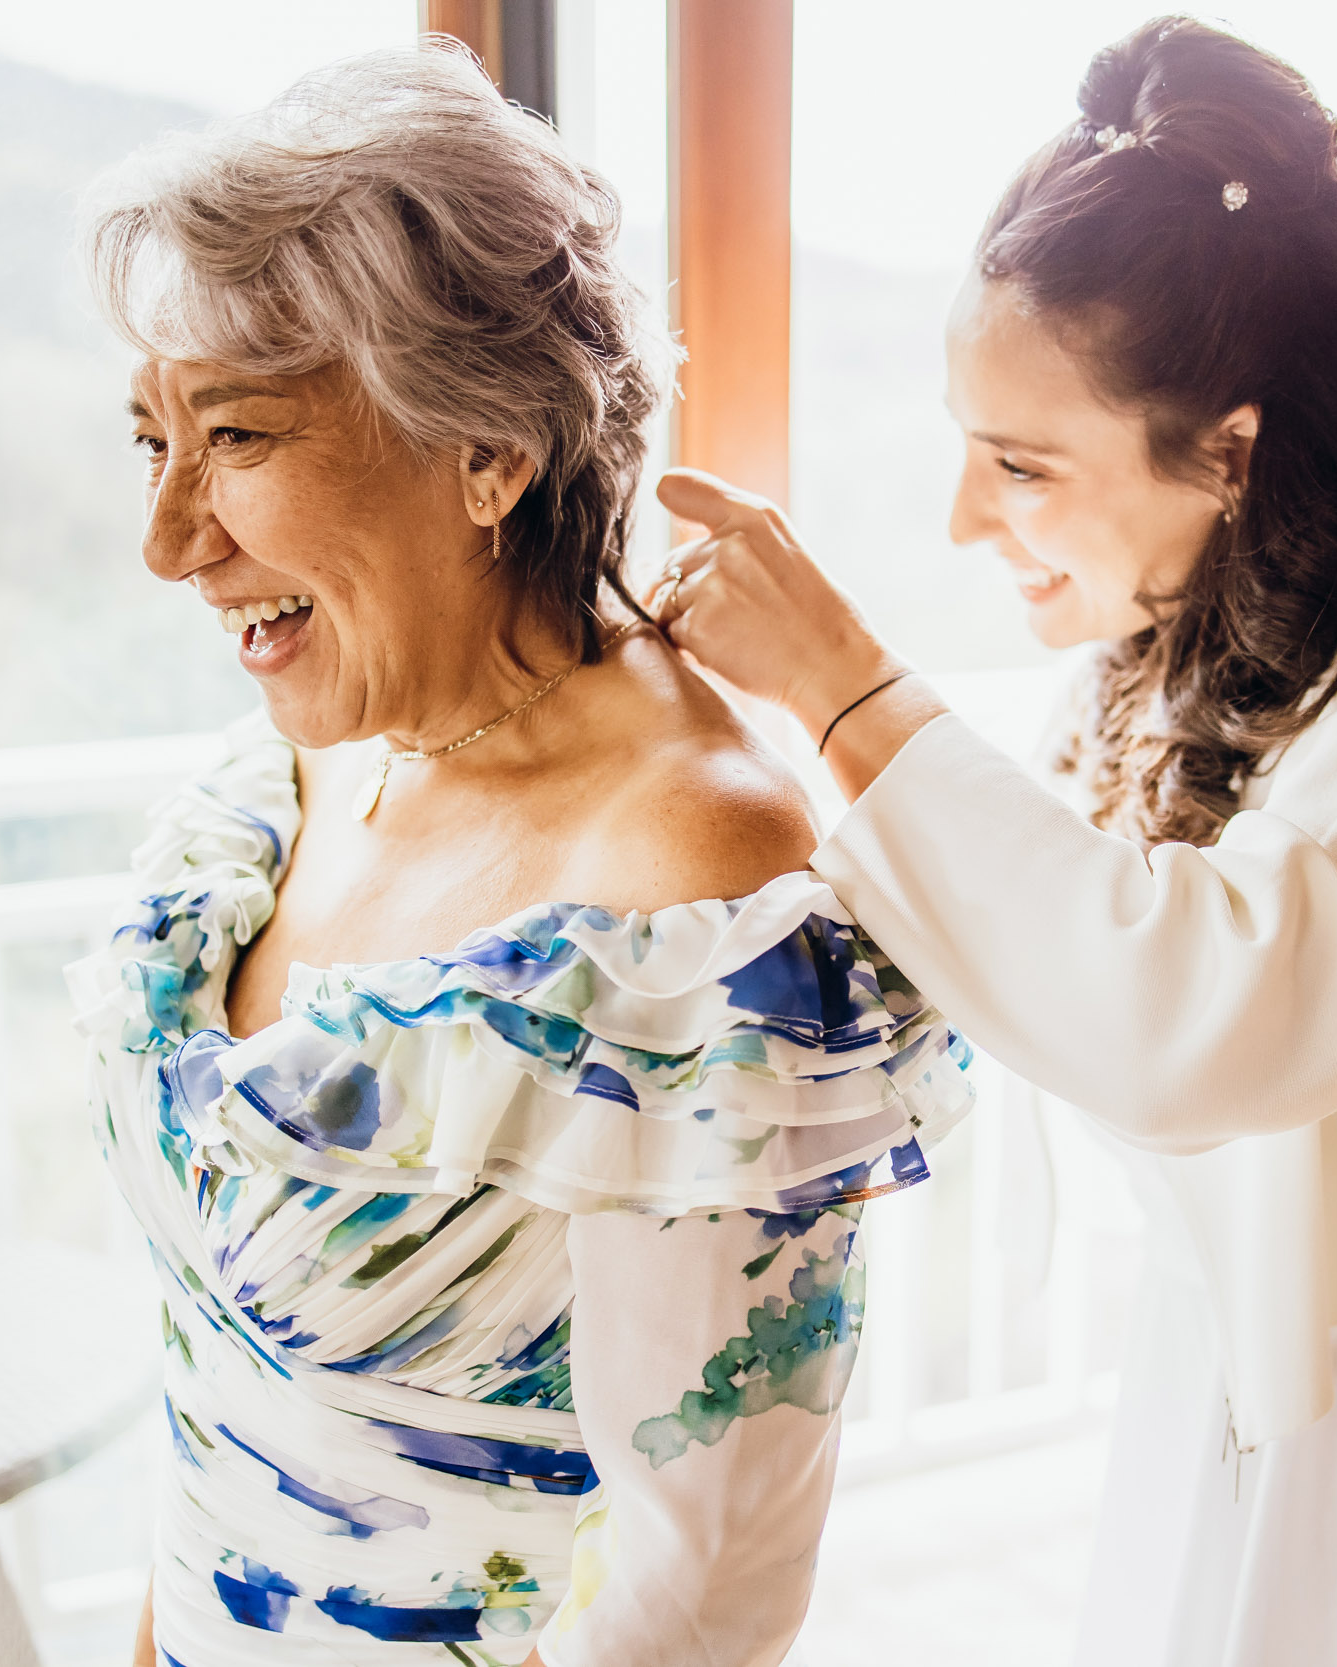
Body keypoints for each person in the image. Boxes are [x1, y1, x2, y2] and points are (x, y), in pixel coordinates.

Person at [651, 16, 1337, 1665]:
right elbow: (1026, 928)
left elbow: (1197, 1011)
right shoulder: (1198, 650)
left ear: (1232, 451)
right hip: (1216, 1423)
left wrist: (848, 685)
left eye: (1018, 463)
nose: (962, 518)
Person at [64, 45, 969, 1667]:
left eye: (241, 440)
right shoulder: (304, 754)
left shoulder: (695, 876)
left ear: (488, 453)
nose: (169, 541)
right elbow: (224, 1379)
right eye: (153, 443)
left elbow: (707, 1586)